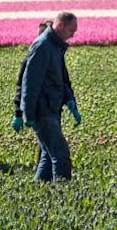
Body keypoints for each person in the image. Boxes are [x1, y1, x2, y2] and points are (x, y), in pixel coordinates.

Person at [20, 11, 81, 182]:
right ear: (60, 26)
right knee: (61, 155)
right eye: (71, 31)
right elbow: (30, 82)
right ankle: (63, 195)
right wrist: (28, 113)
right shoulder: (42, 46)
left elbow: (61, 78)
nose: (73, 36)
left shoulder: (55, 47)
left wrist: (69, 99)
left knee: (47, 156)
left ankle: (40, 192)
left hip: (52, 107)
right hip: (43, 109)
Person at [11, 20, 53, 132]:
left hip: (53, 109)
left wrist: (69, 100)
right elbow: (23, 84)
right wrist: (18, 113)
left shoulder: (56, 55)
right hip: (40, 109)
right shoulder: (32, 58)